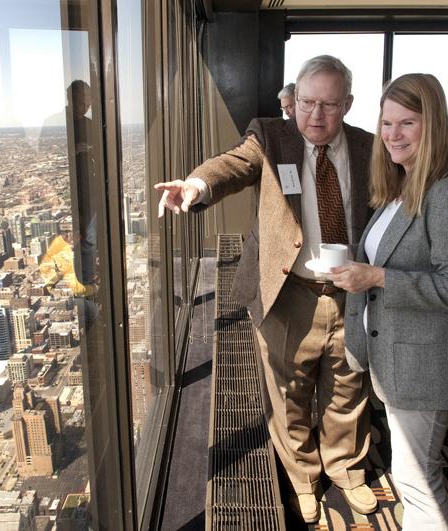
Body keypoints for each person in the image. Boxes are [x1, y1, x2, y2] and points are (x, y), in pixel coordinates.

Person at [155, 55, 377, 523]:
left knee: (348, 388)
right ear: (293, 100)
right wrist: (196, 184)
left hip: (353, 293)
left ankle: (346, 469)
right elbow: (231, 165)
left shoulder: (369, 148)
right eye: (307, 102)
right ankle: (302, 476)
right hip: (288, 291)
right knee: (288, 391)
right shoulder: (271, 137)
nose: (316, 115)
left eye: (330, 105)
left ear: (349, 105)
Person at [328, 73, 448, 529]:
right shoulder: (403, 186)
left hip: (424, 364)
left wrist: (377, 276)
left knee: (417, 480)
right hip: (395, 357)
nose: (393, 135)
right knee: (410, 475)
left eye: (407, 123)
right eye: (386, 123)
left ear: (432, 124)